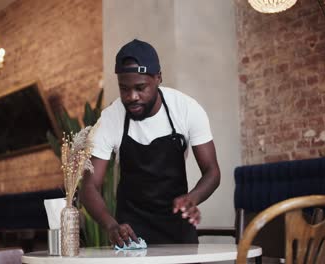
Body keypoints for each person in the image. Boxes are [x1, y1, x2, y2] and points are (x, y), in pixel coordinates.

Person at [79, 39, 220, 247]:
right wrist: (111, 225)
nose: (132, 97)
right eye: (124, 89)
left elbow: (212, 171)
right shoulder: (111, 118)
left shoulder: (187, 109)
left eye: (140, 87)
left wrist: (193, 198)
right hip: (131, 233)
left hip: (178, 229)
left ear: (158, 78)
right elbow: (90, 185)